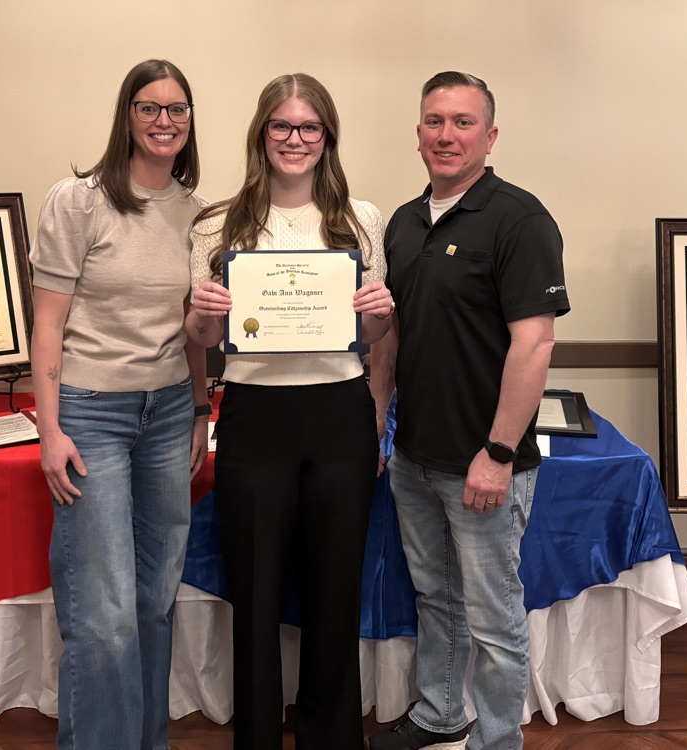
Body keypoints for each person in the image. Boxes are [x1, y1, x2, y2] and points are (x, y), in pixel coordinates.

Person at [185, 73, 393, 750]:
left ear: (326, 137)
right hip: (254, 416)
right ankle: (257, 738)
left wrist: (382, 318)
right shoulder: (219, 221)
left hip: (338, 415)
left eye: (309, 127)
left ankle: (331, 737)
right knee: (257, 593)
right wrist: (200, 317)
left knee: (335, 594)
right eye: (282, 126)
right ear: (262, 133)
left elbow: (372, 338)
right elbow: (207, 341)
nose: (295, 139)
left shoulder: (362, 217)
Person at [367, 72, 570, 750]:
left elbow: (535, 341)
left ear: (490, 135)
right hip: (415, 459)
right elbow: (390, 337)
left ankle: (498, 741)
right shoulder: (402, 222)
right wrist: (376, 426)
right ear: (418, 132)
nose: (446, 135)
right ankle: (438, 715)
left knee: (494, 619)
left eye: (461, 122)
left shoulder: (519, 219)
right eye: (434, 121)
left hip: (486, 464)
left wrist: (500, 453)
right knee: (436, 600)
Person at [29, 59, 209, 750]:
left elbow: (194, 328)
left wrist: (197, 409)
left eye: (177, 109)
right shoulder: (76, 202)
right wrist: (50, 429)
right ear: (126, 116)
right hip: (90, 413)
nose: (164, 121)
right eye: (149, 107)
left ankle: (147, 740)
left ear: (191, 122)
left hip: (165, 415)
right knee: (103, 612)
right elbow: (48, 323)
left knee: (155, 600)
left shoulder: (198, 214)